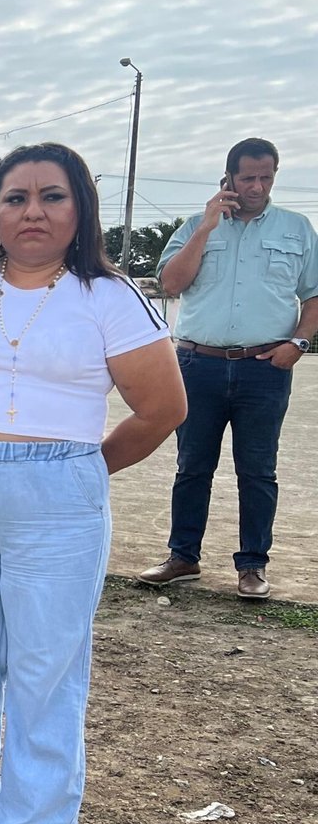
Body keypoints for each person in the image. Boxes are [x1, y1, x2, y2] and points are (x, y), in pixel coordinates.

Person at [0, 143, 185, 824]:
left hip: (58, 497)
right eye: (15, 197)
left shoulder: (108, 298)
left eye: (52, 196)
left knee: (45, 665)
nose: (33, 211)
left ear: (80, 209)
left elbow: (163, 408)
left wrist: (76, 467)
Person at [137, 139, 318, 599]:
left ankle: (253, 565)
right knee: (192, 465)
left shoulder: (296, 229)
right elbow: (171, 283)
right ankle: (182, 557)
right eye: (247, 177)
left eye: (266, 177)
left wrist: (297, 344)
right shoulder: (197, 225)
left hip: (265, 368)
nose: (257, 186)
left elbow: (314, 294)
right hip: (199, 365)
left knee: (258, 470)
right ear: (229, 178)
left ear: (274, 175)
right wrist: (207, 227)